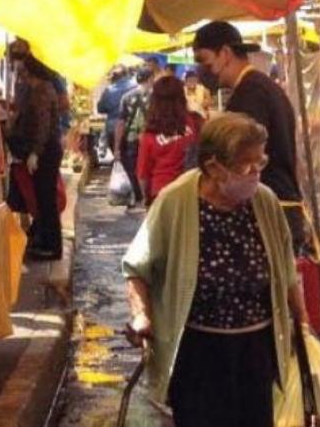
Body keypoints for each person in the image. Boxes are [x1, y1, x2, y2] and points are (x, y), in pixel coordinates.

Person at [122, 113, 306, 427]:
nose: (255, 174)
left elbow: (285, 269)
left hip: (255, 351)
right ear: (214, 167)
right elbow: (137, 267)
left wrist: (302, 324)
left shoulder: (265, 202)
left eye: (260, 163)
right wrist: (142, 315)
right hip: (198, 353)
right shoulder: (174, 202)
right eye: (246, 166)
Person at [191, 21, 308, 254]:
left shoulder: (251, 94)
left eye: (205, 61)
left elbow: (239, 159)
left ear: (225, 53)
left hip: (269, 212)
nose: (203, 71)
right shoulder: (261, 87)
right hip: (280, 207)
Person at [8, 41, 65, 260]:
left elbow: (42, 125)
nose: (23, 77)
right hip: (47, 149)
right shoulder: (44, 89)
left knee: (46, 200)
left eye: (25, 73)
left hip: (45, 151)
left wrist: (35, 153)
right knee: (43, 199)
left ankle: (52, 247)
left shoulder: (41, 91)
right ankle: (47, 242)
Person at [135, 76, 202, 206]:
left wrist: (146, 199)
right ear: (182, 97)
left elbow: (143, 174)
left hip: (161, 194)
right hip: (192, 192)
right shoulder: (196, 122)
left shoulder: (149, 135)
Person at [114, 69, 155, 207]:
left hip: (131, 139)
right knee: (149, 167)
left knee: (133, 168)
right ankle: (147, 196)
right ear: (150, 78)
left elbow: (120, 122)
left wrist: (117, 147)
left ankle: (138, 196)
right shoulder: (156, 97)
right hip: (151, 138)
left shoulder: (126, 97)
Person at [96, 64, 136, 160]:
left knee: (118, 154)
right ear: (126, 74)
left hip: (112, 127)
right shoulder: (135, 87)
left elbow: (100, 108)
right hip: (131, 126)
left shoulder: (109, 90)